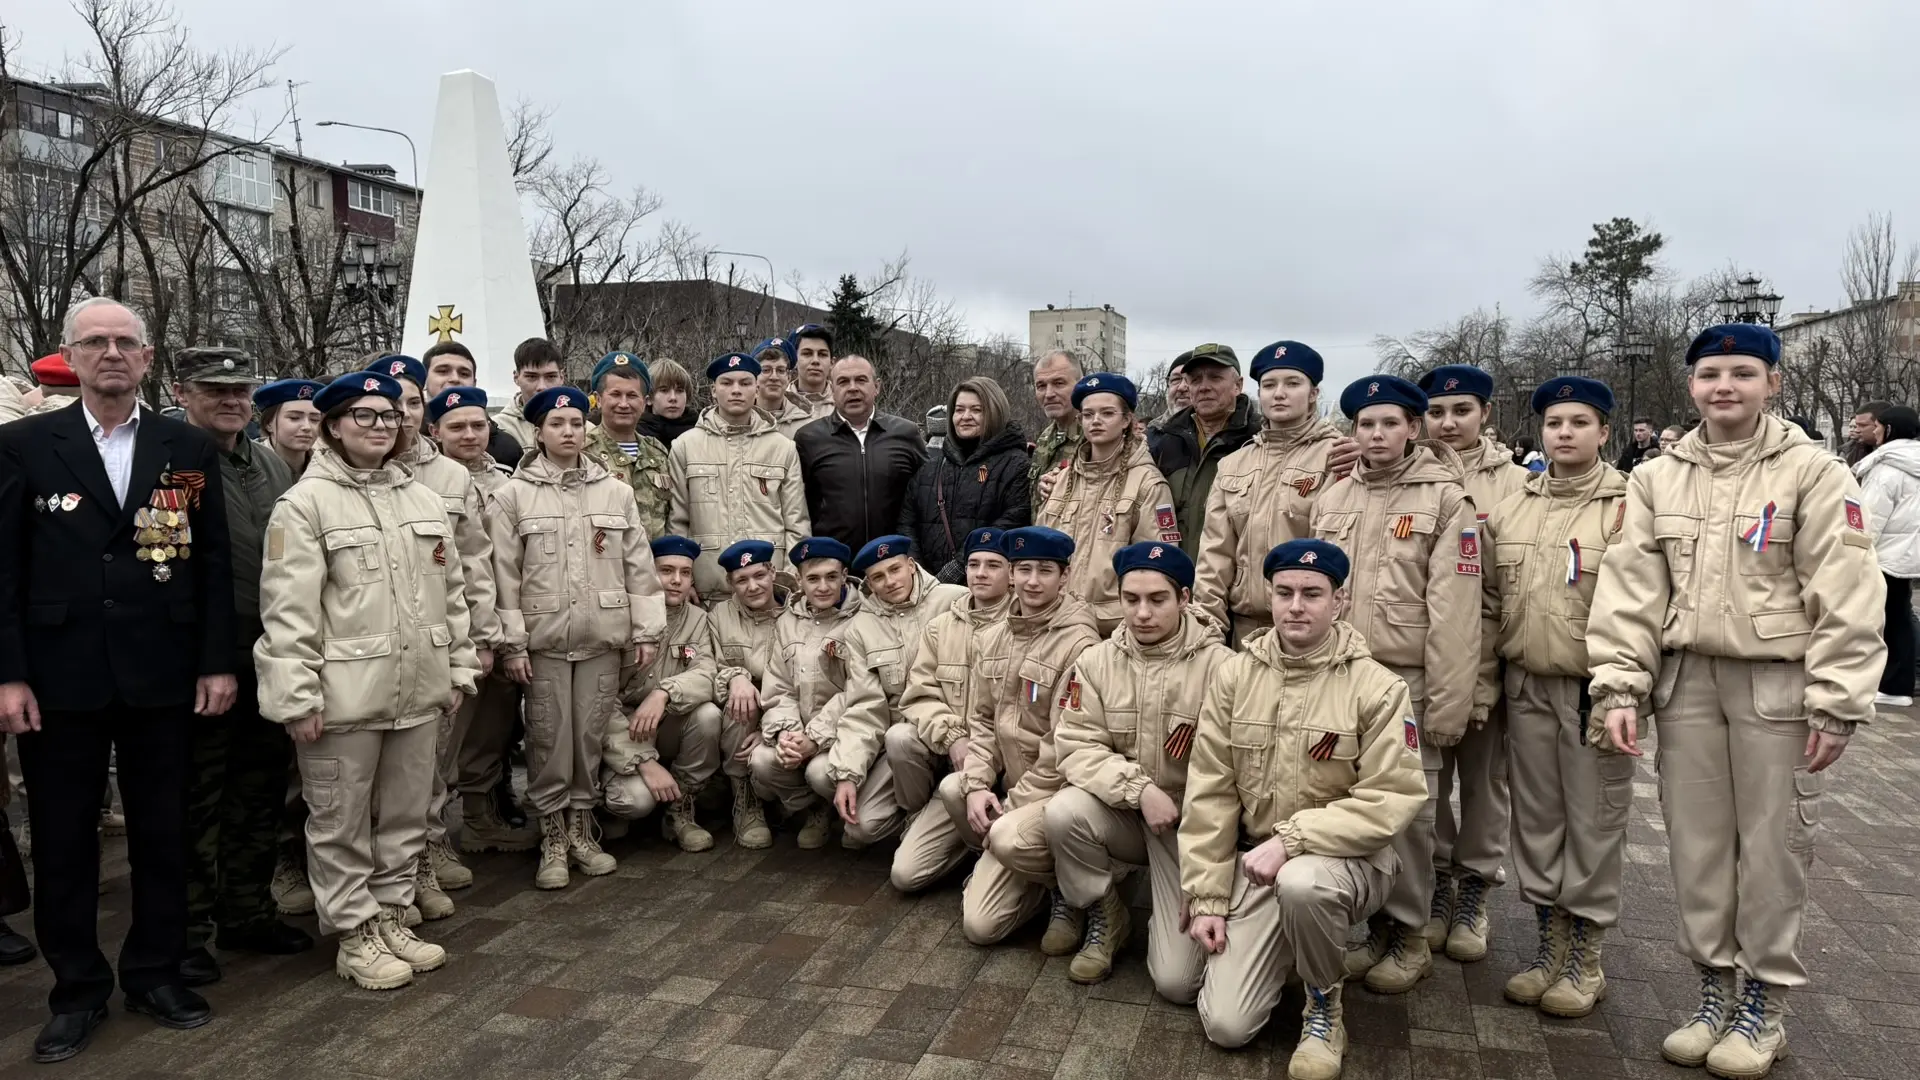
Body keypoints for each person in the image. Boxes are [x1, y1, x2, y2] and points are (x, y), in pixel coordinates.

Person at [1589, 325, 1885, 1079]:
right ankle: (1713, 989)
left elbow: (1847, 589)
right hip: (1687, 683)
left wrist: (1837, 698)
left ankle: (1764, 1003)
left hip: (1775, 686)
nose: (1725, 386)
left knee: (1774, 847)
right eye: (1711, 374)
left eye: (1744, 373)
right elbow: (1629, 590)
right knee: (1696, 846)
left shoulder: (1813, 472)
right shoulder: (1657, 478)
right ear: (1692, 385)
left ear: (1773, 383)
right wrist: (1620, 684)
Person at [0, 298, 235, 1060]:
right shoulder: (24, 445)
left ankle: (154, 973)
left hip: (161, 671)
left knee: (163, 833)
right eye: (94, 342)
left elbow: (209, 562)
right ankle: (76, 990)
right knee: (64, 841)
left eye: (124, 342)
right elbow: (3, 570)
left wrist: (216, 661)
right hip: (58, 676)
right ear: (69, 356)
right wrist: (9, 676)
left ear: (147, 358)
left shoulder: (185, 445)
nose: (110, 353)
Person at [256, 369, 479, 992]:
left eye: (389, 415)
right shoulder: (304, 505)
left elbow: (452, 596)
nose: (380, 426)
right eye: (363, 415)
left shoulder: (422, 500)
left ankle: (391, 916)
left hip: (419, 690)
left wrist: (457, 667)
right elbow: (288, 611)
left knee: (406, 819)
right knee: (341, 823)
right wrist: (297, 697)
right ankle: (355, 935)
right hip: (343, 698)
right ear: (332, 426)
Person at [1179, 539, 1425, 1075]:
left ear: (1340, 601)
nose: (1296, 606)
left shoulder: (1378, 688)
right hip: (1256, 865)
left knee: (1302, 884)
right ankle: (1289, 949)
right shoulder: (1234, 677)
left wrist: (1293, 839)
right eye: (1284, 592)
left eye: (1312, 594)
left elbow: (1392, 797)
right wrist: (1207, 896)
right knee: (1227, 1026)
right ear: (1268, 597)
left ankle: (1323, 1005)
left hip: (1345, 864)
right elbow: (1210, 793)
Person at [1311, 374, 1480, 995]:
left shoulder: (1446, 501)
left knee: (1410, 814)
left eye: (1390, 423)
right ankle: (1377, 927)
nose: (1376, 434)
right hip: (1341, 678)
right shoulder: (1333, 498)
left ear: (1414, 428)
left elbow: (1456, 612)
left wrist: (1449, 704)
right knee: (1348, 801)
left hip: (1408, 681)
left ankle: (1410, 934)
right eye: (1365, 424)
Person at [1479, 376, 1633, 1019]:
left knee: (1593, 822)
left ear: (1604, 432)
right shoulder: (1514, 506)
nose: (1564, 433)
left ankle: (1584, 958)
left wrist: (1624, 690)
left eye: (1579, 422)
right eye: (1553, 423)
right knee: (1537, 821)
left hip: (1591, 689)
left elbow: (1643, 605)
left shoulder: (1628, 506)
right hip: (1525, 684)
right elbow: (1491, 600)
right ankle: (1550, 945)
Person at [167, 347, 312, 988]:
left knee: (259, 789)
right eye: (214, 390)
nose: (230, 401)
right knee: (197, 800)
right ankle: (187, 932)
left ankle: (247, 911)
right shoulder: (170, 460)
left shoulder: (269, 462)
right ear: (182, 392)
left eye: (239, 391)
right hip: (203, 659)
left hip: (267, 652)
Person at [488, 386, 667, 890]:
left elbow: (638, 566)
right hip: (544, 640)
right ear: (539, 432)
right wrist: (513, 644)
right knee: (548, 737)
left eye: (575, 423)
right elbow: (504, 575)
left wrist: (646, 629)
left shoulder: (616, 492)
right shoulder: (513, 495)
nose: (568, 432)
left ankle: (582, 831)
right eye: (556, 423)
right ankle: (552, 835)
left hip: (601, 637)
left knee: (589, 735)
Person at [1048, 542, 1231, 990]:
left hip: (1189, 828)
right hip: (1127, 812)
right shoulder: (1096, 663)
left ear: (1184, 598)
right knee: (1064, 812)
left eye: (1157, 599)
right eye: (1131, 599)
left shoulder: (1224, 668)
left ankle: (1172, 913)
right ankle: (1107, 912)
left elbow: (1234, 774)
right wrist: (1140, 790)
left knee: (1176, 984)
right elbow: (1075, 745)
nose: (1142, 613)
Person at [365, 356, 503, 919]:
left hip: (441, 639)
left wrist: (485, 637)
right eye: (389, 405)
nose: (400, 415)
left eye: (411, 403)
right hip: (376, 642)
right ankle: (389, 870)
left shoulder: (450, 476)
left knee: (435, 754)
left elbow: (475, 563)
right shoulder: (354, 471)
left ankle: (428, 848)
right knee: (383, 767)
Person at [1415, 364, 1527, 962]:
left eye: (1462, 410)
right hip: (1424, 655)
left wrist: (1486, 675)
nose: (1448, 423)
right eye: (1436, 412)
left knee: (1485, 781)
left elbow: (1512, 587)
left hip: (1490, 655)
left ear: (1486, 413)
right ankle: (1437, 882)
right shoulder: (1410, 472)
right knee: (1427, 781)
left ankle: (1474, 888)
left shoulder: (1517, 484)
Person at [957, 526, 1102, 946]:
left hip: (1058, 796)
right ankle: (1038, 878)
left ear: (1065, 576)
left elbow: (1064, 746)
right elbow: (983, 721)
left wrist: (1011, 806)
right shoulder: (993, 637)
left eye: (1045, 570)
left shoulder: (1081, 645)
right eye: (1023, 570)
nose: (1032, 581)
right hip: (1014, 791)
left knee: (1005, 836)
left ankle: (1078, 893)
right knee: (979, 928)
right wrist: (977, 784)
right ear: (1011, 574)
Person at [425, 388, 537, 858]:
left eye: (478, 425)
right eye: (457, 426)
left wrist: (506, 636)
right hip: (453, 628)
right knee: (442, 741)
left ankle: (478, 818)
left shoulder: (509, 482)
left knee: (492, 731)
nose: (470, 434)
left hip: (502, 625)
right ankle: (429, 841)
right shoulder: (422, 481)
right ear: (435, 431)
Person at [747, 537, 896, 849]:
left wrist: (814, 737)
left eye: (831, 576)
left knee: (819, 772)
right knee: (762, 760)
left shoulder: (865, 619)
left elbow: (859, 692)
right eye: (813, 578)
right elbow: (779, 687)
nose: (824, 587)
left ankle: (844, 807)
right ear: (799, 580)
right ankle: (815, 809)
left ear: (845, 576)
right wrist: (787, 734)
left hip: (845, 734)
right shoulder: (787, 622)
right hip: (801, 731)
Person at [889, 526, 1012, 893]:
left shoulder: (1023, 627)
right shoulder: (941, 628)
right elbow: (919, 695)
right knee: (905, 875)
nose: (981, 573)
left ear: (1012, 573)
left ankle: (992, 854)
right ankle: (970, 841)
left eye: (993, 565)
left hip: (1009, 773)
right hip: (956, 768)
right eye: (973, 564)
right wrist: (953, 737)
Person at [1193, 341, 1340, 643]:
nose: (1279, 393)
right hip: (1246, 629)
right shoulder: (1234, 464)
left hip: (1311, 630)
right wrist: (1207, 633)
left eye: (1293, 383)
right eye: (1269, 385)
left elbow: (1338, 553)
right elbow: (1214, 556)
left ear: (1313, 394)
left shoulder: (1337, 457)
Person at [601, 536, 723, 851]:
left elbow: (707, 673)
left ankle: (679, 808)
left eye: (685, 572)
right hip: (621, 730)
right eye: (666, 570)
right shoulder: (622, 617)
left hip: (665, 721)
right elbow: (600, 702)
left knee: (708, 716)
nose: (676, 580)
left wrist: (663, 693)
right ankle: (605, 807)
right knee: (635, 801)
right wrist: (643, 761)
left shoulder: (697, 619)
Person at [1036, 373, 1178, 634]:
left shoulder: (1147, 483)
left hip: (1112, 629)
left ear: (1126, 420)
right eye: (1088, 415)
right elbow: (1039, 551)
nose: (1096, 421)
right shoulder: (1062, 479)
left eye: (1107, 413)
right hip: (1052, 623)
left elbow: (1157, 565)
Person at [669, 352, 811, 601]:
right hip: (708, 590)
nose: (736, 390)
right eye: (727, 383)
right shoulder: (685, 446)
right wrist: (683, 579)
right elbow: (678, 522)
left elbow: (796, 523)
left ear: (757, 389)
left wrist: (789, 579)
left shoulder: (782, 448)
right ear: (713, 391)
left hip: (770, 590)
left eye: (745, 383)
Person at [897, 377, 1032, 583]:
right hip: (930, 589)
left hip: (987, 585)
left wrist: (960, 567)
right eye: (959, 410)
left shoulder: (1017, 465)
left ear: (995, 412)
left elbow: (1013, 520)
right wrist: (921, 575)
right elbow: (907, 522)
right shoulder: (931, 468)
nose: (965, 417)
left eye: (977, 410)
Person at [794, 355, 928, 551]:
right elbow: (798, 507)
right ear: (831, 389)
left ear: (877, 386)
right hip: (833, 561)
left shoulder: (906, 433)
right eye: (843, 382)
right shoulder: (809, 438)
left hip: (893, 559)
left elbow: (926, 498)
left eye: (861, 380)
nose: (852, 388)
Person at [706, 539, 782, 848]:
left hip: (788, 707)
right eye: (742, 580)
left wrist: (768, 727)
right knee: (741, 703)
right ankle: (745, 795)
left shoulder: (797, 612)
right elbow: (711, 667)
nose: (752, 587)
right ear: (730, 583)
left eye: (759, 575)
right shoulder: (719, 616)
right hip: (745, 711)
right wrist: (735, 676)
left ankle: (811, 803)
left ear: (772, 571)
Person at [1149, 343, 1259, 557]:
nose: (1204, 387)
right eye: (1196, 379)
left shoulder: (1257, 441)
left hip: (1235, 574)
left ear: (1238, 385)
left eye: (1215, 378)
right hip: (1174, 571)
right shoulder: (1165, 441)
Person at [1856, 404, 1920, 707]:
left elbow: (1870, 519)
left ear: (1889, 429)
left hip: (1885, 556)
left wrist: (1856, 552)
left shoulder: (1887, 468)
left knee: (1885, 620)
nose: (1875, 430)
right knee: (1899, 616)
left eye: (1878, 425)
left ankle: (1893, 685)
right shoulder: (1912, 462)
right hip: (1907, 554)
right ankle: (1898, 683)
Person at [581, 351, 671, 541]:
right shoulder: (583, 452)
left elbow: (671, 515)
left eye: (632, 395)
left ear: (644, 402)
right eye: (615, 394)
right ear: (598, 399)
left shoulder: (657, 453)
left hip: (656, 557)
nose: (623, 404)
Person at [421, 340, 524, 465]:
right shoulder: (406, 440)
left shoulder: (506, 448)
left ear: (474, 383)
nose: (455, 379)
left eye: (464, 374)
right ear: (424, 380)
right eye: (443, 371)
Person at [1026, 350, 1085, 515]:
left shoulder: (1094, 438)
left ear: (1080, 385)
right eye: (1041, 386)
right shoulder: (1045, 438)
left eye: (1059, 383)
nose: (1049, 394)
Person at [492, 338, 568, 450]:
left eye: (551, 377)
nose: (542, 387)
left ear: (561, 377)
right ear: (516, 377)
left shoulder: (582, 428)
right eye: (532, 377)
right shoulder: (496, 429)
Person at [254, 379, 324, 479]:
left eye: (315, 419)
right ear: (268, 423)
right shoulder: (250, 466)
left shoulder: (327, 466)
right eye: (294, 418)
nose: (307, 427)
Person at [750, 337, 817, 437]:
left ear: (789, 377)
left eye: (780, 370)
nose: (774, 377)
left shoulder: (807, 426)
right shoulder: (740, 420)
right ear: (755, 376)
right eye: (766, 370)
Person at [639, 358, 698, 446]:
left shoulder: (701, 433)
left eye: (679, 391)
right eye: (664, 390)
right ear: (649, 399)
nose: (673, 398)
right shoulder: (635, 436)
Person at [788, 324, 836, 414]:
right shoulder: (778, 403)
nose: (815, 360)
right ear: (794, 361)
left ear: (832, 362)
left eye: (822, 354)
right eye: (807, 353)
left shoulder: (845, 403)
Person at [1845, 400, 1892, 466]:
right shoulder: (1855, 451)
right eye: (1856, 425)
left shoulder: (1897, 455)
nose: (1856, 430)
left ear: (1882, 425)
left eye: (1862, 425)